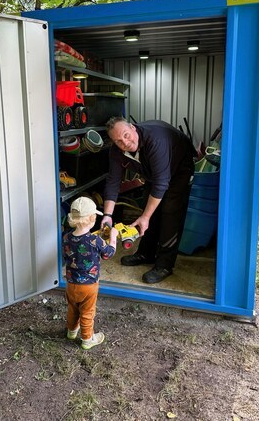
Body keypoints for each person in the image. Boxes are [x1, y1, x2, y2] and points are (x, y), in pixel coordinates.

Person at [101, 117, 195, 284]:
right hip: (154, 172)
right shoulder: (117, 151)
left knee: (170, 211)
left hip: (180, 168)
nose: (125, 142)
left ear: (132, 127)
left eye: (126, 135)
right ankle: (146, 253)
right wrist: (107, 215)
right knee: (148, 209)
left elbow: (161, 183)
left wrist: (145, 217)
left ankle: (164, 265)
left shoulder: (155, 140)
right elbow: (113, 181)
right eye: (119, 141)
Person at [63, 196, 118, 350]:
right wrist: (113, 237)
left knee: (73, 308)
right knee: (87, 312)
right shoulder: (95, 240)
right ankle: (87, 339)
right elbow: (108, 253)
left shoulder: (67, 237)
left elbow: (73, 250)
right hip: (88, 285)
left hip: (71, 283)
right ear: (93, 218)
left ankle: (72, 331)